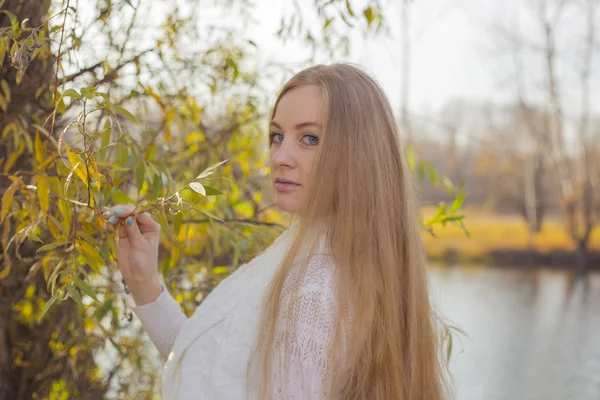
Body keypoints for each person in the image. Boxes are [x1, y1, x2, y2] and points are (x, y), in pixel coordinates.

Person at [101, 63, 450, 399]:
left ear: (358, 153)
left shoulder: (315, 287)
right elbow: (214, 373)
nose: (281, 156)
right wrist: (144, 283)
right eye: (277, 136)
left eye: (310, 138)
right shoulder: (312, 254)